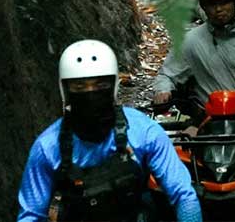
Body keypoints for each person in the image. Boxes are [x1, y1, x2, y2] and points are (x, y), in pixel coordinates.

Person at [17, 40, 202, 222]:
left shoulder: (143, 132)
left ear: (113, 87)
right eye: (79, 87)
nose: (91, 94)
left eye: (100, 86)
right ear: (65, 90)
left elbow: (183, 196)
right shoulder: (48, 147)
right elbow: (31, 215)